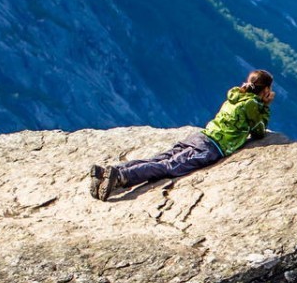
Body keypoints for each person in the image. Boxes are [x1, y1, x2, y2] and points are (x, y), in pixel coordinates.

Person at [90, 70, 275, 200]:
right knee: (168, 167)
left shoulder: (236, 95)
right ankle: (122, 177)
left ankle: (108, 172)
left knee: (159, 158)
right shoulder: (252, 105)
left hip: (201, 136)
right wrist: (265, 106)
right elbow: (259, 131)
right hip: (213, 146)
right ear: (265, 90)